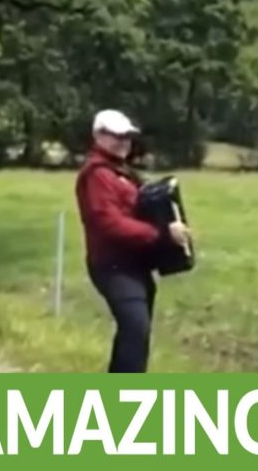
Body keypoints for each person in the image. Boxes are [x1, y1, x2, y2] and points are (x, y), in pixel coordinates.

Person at [75, 109, 191, 372]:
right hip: (113, 266)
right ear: (98, 136)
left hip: (135, 265)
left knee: (136, 334)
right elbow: (108, 223)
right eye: (117, 136)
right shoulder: (97, 175)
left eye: (127, 136)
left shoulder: (121, 172)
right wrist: (160, 234)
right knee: (135, 330)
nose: (124, 141)